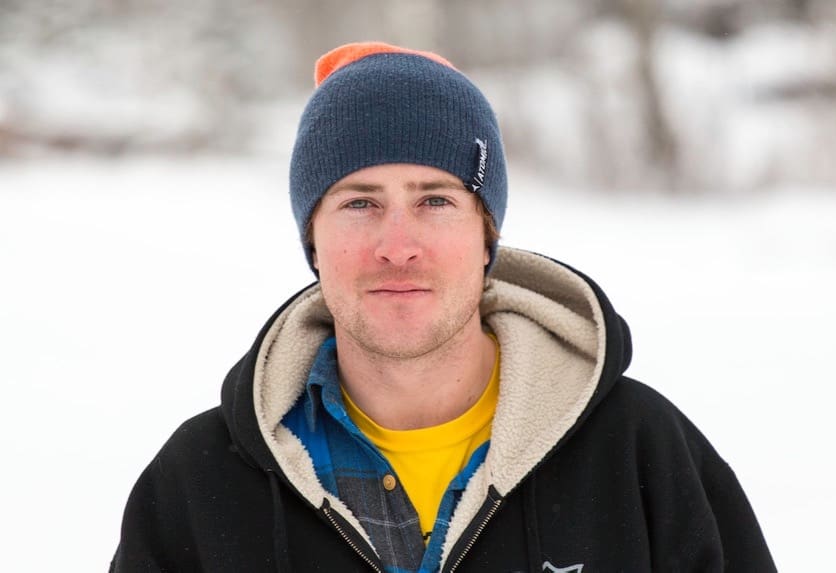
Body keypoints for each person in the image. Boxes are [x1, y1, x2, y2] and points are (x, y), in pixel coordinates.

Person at [111, 42, 776, 573]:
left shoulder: (639, 454)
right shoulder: (199, 484)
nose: (397, 246)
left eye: (435, 200)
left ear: (486, 237)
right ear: (312, 240)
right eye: (359, 203)